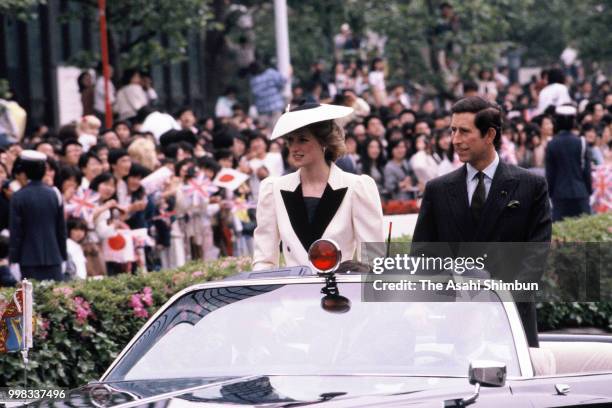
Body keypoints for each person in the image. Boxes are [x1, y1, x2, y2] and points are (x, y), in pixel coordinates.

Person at [412, 96, 552, 347]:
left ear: (489, 134)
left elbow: (535, 255)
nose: (455, 140)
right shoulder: (438, 189)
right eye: (453, 130)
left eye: (464, 131)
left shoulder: (531, 186)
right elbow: (422, 256)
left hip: (512, 321)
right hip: (454, 324)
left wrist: (501, 303)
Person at [252, 103, 385, 270]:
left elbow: (373, 259)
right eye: (290, 140)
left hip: (342, 293)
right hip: (294, 294)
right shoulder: (273, 189)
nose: (294, 148)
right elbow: (264, 261)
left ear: (324, 142)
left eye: (303, 139)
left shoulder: (357, 187)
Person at [9, 150, 67, 281]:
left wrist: (14, 260)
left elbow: (16, 232)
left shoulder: (18, 197)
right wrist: (63, 256)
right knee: (56, 299)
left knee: (32, 299)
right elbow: (61, 230)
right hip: (54, 257)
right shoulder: (54, 194)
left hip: (27, 259)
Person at [545, 105, 592, 221]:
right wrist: (588, 190)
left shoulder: (551, 144)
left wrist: (550, 193)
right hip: (580, 192)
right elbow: (587, 171)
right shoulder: (582, 142)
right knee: (584, 230)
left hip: (559, 194)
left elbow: (550, 173)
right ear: (573, 122)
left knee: (561, 234)